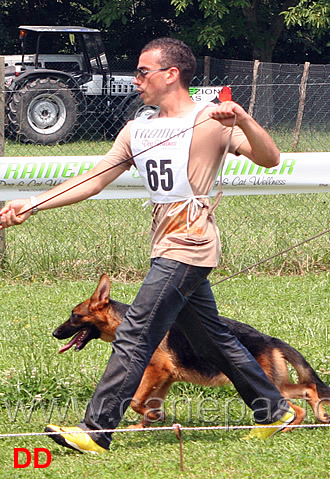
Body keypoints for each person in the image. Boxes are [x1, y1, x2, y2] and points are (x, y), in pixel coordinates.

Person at [0, 37, 295, 453]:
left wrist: (243, 120)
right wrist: (33, 204)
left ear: (171, 74)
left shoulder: (211, 120)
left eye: (143, 71)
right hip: (163, 244)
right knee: (212, 339)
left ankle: (96, 430)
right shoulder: (137, 129)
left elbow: (270, 158)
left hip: (190, 243)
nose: (135, 79)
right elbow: (94, 179)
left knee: (135, 331)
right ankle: (274, 410)